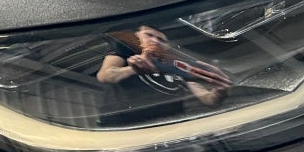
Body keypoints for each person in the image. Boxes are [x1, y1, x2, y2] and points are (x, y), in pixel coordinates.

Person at [96, 25, 230, 127]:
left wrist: (220, 91)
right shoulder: (126, 53)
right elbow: (105, 75)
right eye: (149, 35)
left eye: (161, 40)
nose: (155, 41)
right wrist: (133, 69)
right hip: (124, 130)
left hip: (169, 130)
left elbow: (209, 100)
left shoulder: (177, 67)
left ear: (167, 47)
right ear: (137, 37)